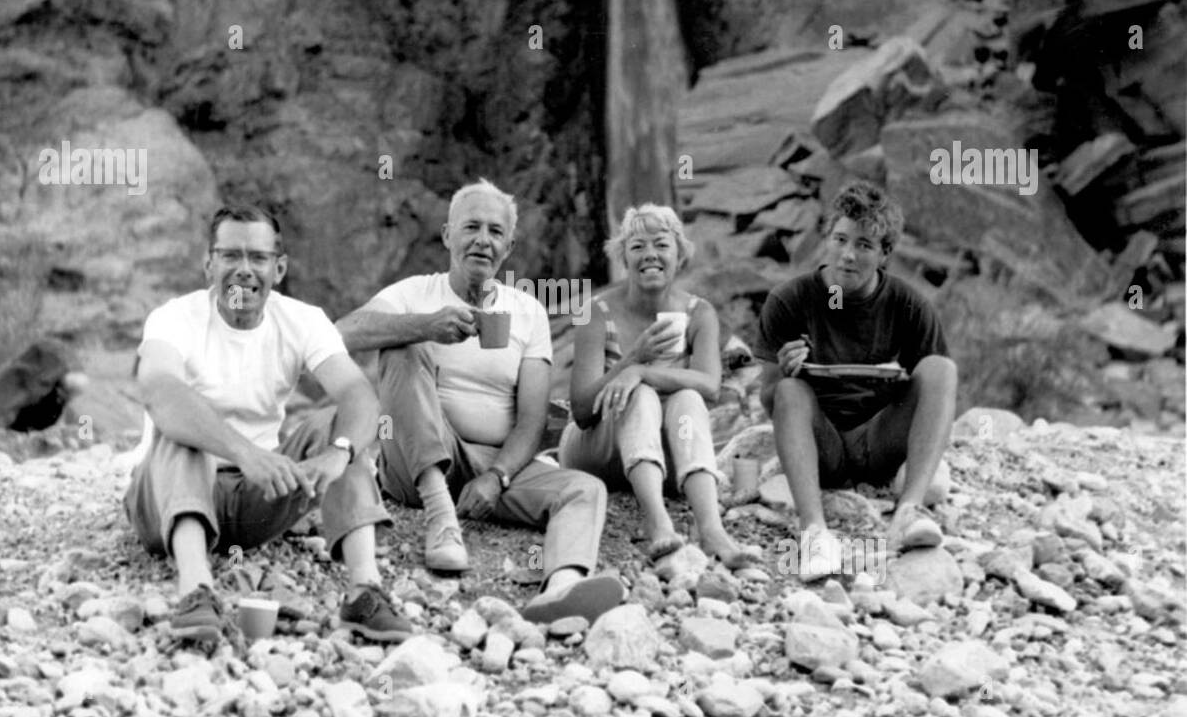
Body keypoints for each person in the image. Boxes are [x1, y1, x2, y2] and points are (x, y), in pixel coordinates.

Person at [335, 179, 624, 625]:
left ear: (508, 247)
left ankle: (562, 587)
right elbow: (342, 334)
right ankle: (440, 516)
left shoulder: (527, 311)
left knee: (584, 488)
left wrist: (498, 476)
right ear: (449, 235)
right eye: (471, 227)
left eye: (495, 231)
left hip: (493, 463)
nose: (482, 240)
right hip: (413, 463)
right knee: (404, 346)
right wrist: (425, 325)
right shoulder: (414, 293)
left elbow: (531, 421)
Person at [125, 203, 412, 646]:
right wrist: (246, 453)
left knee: (339, 427)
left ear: (278, 269)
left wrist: (337, 454)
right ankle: (195, 592)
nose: (244, 270)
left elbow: (358, 396)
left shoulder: (302, 320)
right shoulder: (173, 318)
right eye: (230, 256)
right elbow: (160, 392)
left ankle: (364, 591)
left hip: (254, 499)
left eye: (257, 258)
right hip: (165, 499)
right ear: (208, 264)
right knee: (182, 426)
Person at [755, 182, 956, 580]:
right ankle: (815, 532)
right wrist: (784, 370)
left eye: (864, 245)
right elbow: (767, 398)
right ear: (827, 239)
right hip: (820, 445)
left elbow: (935, 397)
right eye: (840, 239)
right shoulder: (789, 300)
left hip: (879, 442)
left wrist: (901, 384)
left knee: (941, 369)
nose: (847, 255)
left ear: (884, 255)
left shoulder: (909, 304)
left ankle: (908, 512)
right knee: (789, 390)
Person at [559, 203, 758, 570]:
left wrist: (645, 373)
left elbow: (710, 386)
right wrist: (631, 361)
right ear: (624, 258)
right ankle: (657, 521)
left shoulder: (699, 313)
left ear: (679, 254)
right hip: (597, 451)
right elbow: (582, 412)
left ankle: (711, 529)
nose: (650, 254)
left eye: (661, 244)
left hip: (663, 457)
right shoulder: (596, 311)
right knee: (642, 396)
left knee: (686, 397)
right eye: (637, 246)